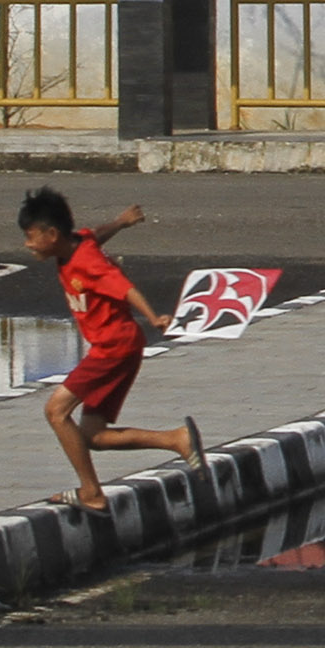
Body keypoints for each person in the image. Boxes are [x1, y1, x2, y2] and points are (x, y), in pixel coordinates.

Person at [20, 189, 203, 510]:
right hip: (120, 346)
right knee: (93, 435)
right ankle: (176, 439)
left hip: (113, 347)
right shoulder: (78, 244)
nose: (27, 244)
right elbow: (95, 234)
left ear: (52, 234)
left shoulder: (88, 261)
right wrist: (121, 222)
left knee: (56, 411)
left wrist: (154, 318)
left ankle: (91, 492)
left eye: (31, 236)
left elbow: (124, 287)